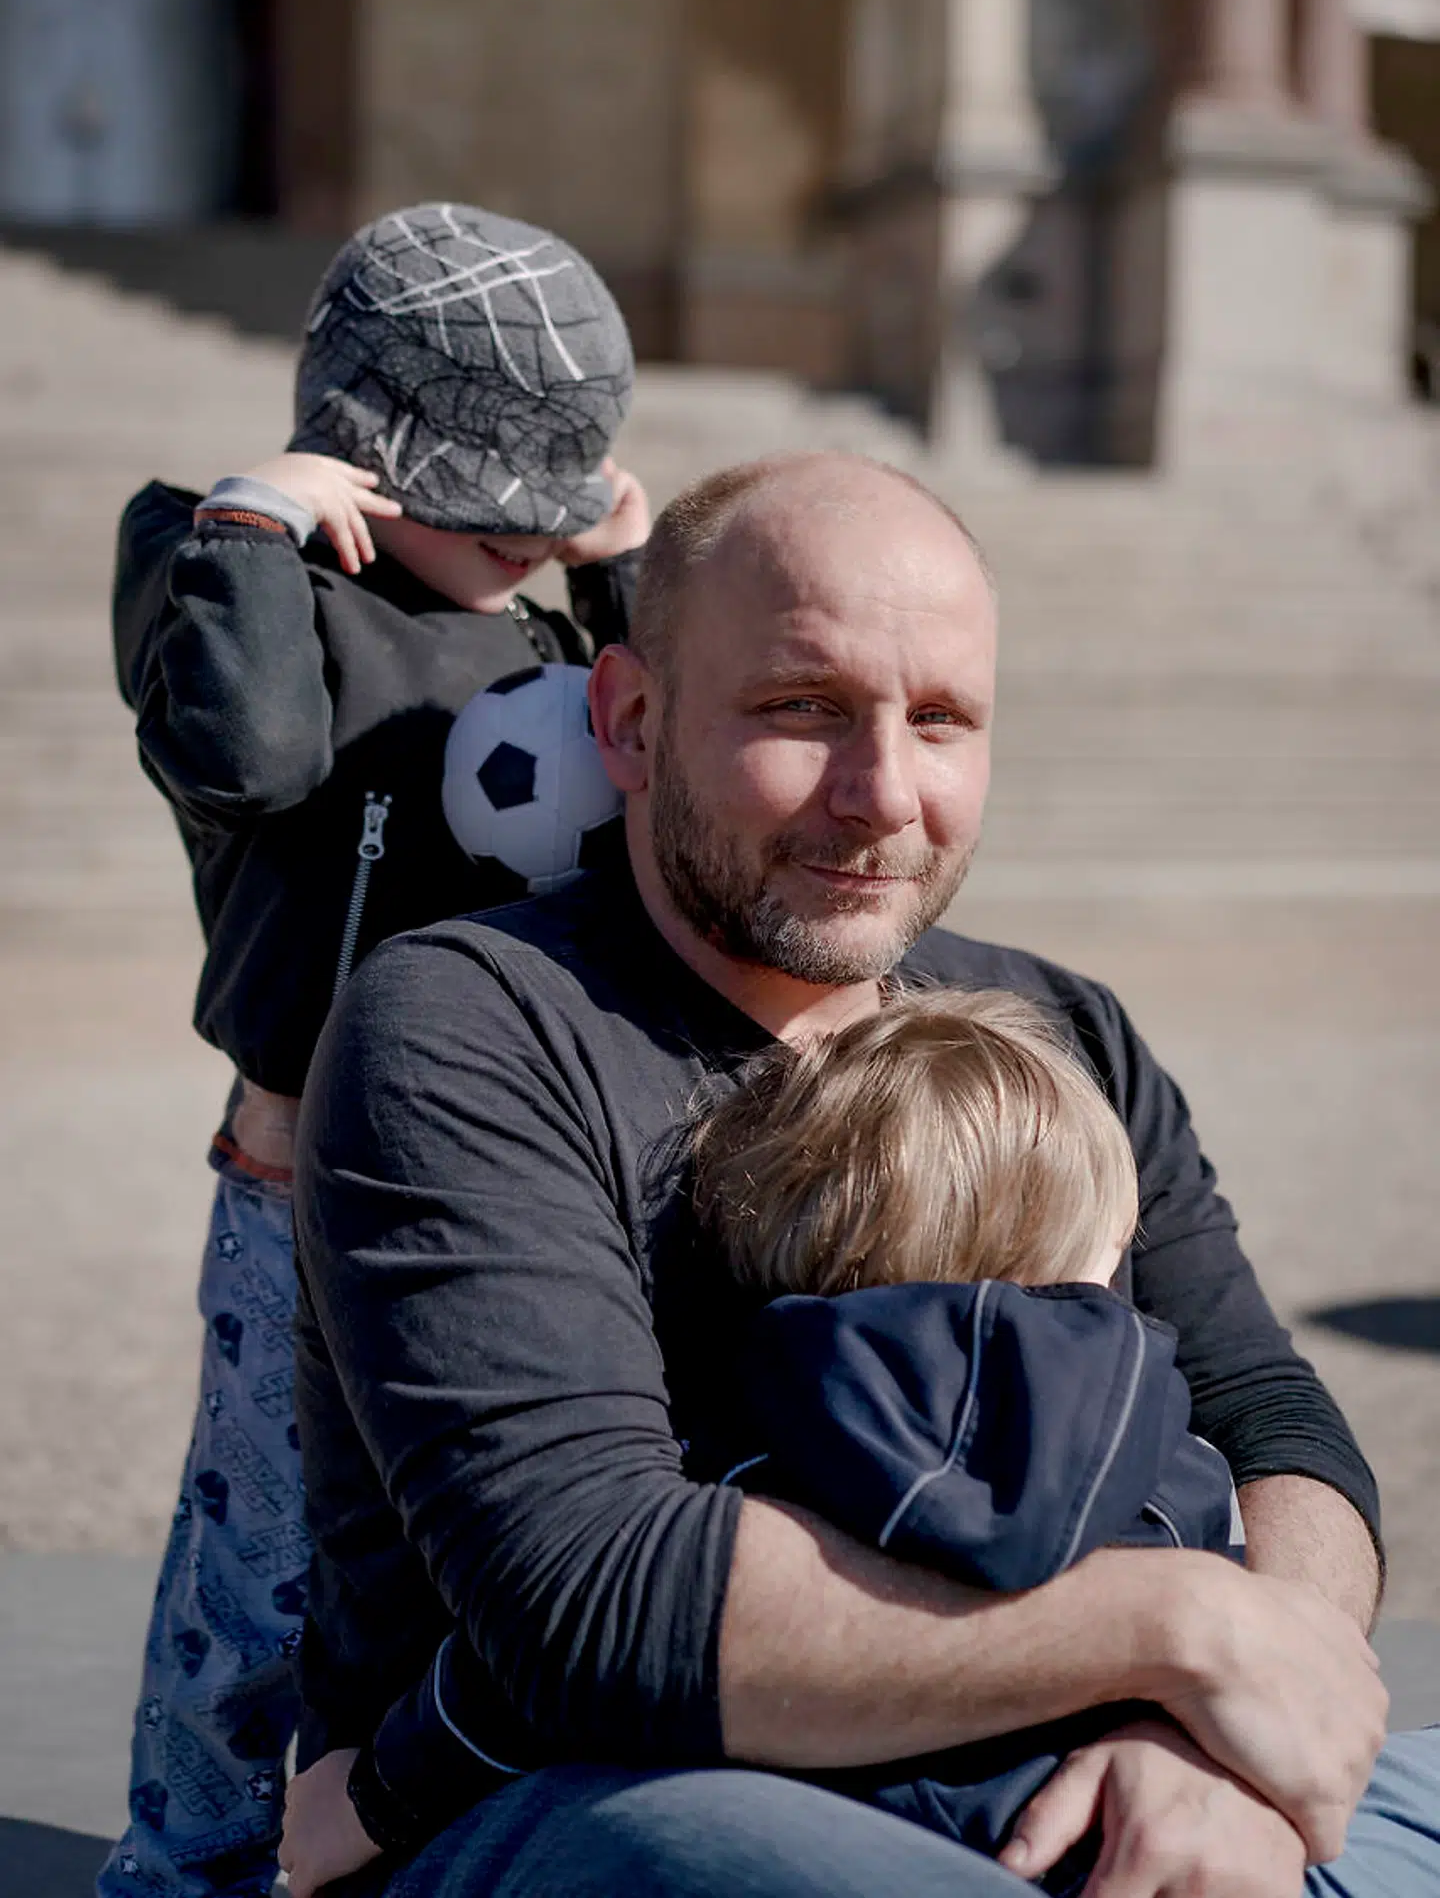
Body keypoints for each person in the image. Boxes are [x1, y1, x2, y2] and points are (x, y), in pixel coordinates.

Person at [282, 451, 1439, 1898]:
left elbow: (1276, 1428)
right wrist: (1186, 1635)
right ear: (632, 720)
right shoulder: (465, 1024)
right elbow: (593, 1604)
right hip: (615, 1789)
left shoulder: (1059, 1032)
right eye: (803, 710)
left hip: (1099, 1749)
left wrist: (1214, 1753)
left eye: (941, 721)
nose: (882, 794)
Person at [97, 204, 650, 1898]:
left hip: (510, 1158)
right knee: (258, 1561)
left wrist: (617, 570)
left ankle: (374, 1855)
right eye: (480, 506)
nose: (514, 538)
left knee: (440, 1555)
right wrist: (259, 528)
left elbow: (660, 760)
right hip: (303, 1158)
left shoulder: (544, 634)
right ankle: (180, 1868)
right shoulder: (228, 573)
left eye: (537, 511)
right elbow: (251, 762)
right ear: (361, 458)